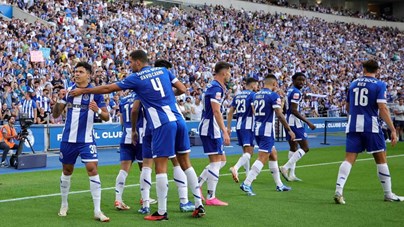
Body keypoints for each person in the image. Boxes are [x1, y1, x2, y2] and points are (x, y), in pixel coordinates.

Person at [69, 50, 205, 221]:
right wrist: (167, 95)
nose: (130, 65)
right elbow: (183, 89)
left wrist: (83, 92)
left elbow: (108, 88)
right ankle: (199, 204)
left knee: (160, 167)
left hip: (162, 123)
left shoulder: (137, 78)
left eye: (131, 62)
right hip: (179, 121)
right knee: (186, 163)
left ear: (138, 62)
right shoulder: (164, 71)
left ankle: (161, 212)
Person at [333, 59, 403, 204]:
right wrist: (392, 129)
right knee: (381, 158)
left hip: (353, 125)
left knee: (349, 158)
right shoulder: (379, 85)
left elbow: (347, 106)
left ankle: (339, 191)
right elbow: (382, 108)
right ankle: (388, 193)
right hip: (371, 125)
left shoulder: (353, 84)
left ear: (363, 69)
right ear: (377, 70)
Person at [53, 62, 110, 222]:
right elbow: (56, 114)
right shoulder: (69, 91)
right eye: (75, 71)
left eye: (80, 71)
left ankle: (97, 211)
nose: (76, 74)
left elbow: (107, 117)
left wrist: (97, 110)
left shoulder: (96, 93)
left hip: (86, 140)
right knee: (67, 170)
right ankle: (64, 204)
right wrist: (59, 100)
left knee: (92, 169)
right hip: (68, 139)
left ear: (89, 75)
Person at [239, 74, 295, 196]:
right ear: (274, 84)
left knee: (273, 155)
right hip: (267, 130)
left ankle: (279, 184)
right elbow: (279, 114)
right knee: (263, 157)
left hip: (257, 128)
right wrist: (289, 130)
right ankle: (247, 183)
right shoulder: (273, 96)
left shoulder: (256, 95)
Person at [198, 61, 232, 206]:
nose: (230, 75)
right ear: (224, 73)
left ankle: (198, 185)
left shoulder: (213, 86)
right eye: (229, 72)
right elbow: (216, 111)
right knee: (216, 162)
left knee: (221, 161)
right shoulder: (217, 88)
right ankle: (211, 197)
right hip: (211, 128)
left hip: (211, 126)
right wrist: (225, 131)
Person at [280, 72, 316, 182]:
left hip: (288, 120)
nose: (301, 82)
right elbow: (294, 110)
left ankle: (292, 174)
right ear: (293, 80)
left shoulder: (290, 90)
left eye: (303, 80)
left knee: (293, 148)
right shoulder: (296, 92)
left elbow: (286, 107)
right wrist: (308, 122)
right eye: (299, 80)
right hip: (294, 122)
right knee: (305, 147)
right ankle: (285, 167)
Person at [114, 91, 143, 211]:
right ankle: (144, 198)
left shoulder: (123, 99)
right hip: (140, 134)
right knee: (144, 168)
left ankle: (118, 199)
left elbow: (121, 120)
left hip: (126, 134)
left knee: (124, 169)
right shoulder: (142, 96)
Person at [227, 77, 259, 183]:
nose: (257, 87)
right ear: (253, 85)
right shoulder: (252, 95)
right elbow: (254, 110)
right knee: (249, 152)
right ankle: (235, 168)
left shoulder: (237, 95)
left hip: (239, 125)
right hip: (249, 125)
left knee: (245, 152)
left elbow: (230, 111)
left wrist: (228, 127)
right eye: (256, 85)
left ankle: (247, 174)